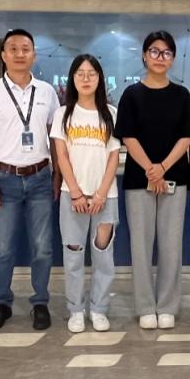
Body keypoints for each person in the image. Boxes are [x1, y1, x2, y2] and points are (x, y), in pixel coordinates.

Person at [115, 31, 190, 330]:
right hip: (139, 180)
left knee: (170, 246)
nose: (160, 57)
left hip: (174, 178)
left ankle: (167, 305)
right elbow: (128, 136)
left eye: (166, 52)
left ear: (173, 58)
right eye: (154, 51)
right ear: (144, 55)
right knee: (140, 246)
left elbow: (187, 137)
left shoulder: (182, 95)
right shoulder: (131, 94)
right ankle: (144, 307)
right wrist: (151, 169)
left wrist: (162, 167)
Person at [0, 29, 61, 331]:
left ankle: (40, 303)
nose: (20, 53)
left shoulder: (47, 92)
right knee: (3, 248)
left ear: (34, 55)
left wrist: (57, 175)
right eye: (13, 48)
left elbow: (55, 138)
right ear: (3, 55)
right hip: (4, 178)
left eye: (26, 48)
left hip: (40, 177)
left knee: (43, 248)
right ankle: (3, 302)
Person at [50, 54, 121, 333]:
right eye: (80, 73)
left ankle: (99, 309)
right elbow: (62, 157)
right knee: (73, 256)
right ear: (72, 78)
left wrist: (101, 194)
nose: (86, 78)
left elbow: (113, 156)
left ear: (100, 78)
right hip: (73, 197)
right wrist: (77, 193)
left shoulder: (111, 113)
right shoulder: (63, 114)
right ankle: (76, 310)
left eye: (92, 73)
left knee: (103, 256)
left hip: (106, 197)